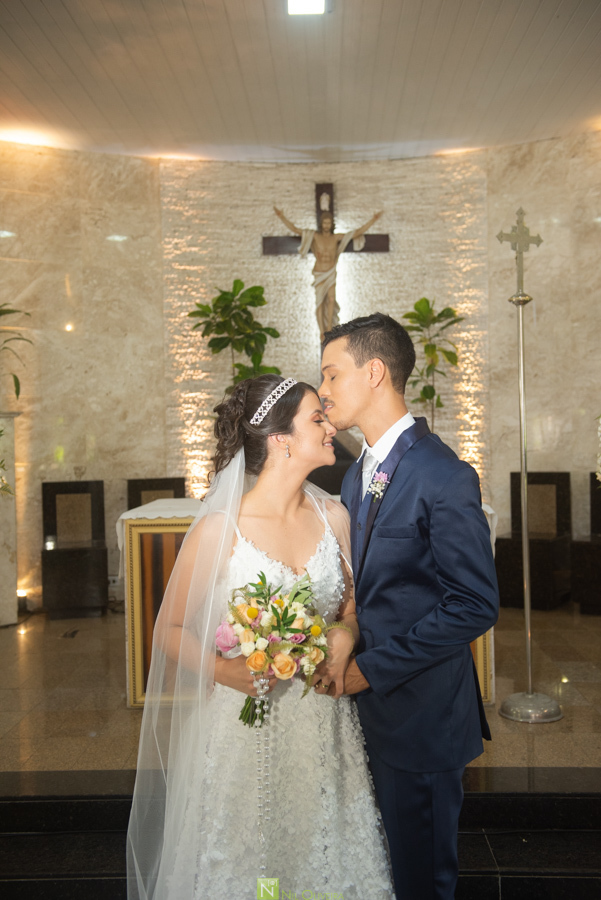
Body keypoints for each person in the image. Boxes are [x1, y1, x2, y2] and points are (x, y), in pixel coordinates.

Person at [127, 374, 394, 900]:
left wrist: (345, 633)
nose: (330, 427)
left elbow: (348, 606)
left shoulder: (334, 516)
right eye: (316, 419)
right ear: (280, 439)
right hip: (246, 727)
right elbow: (168, 630)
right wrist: (225, 669)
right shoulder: (220, 529)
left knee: (324, 857)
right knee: (256, 862)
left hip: (323, 721)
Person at [317, 312, 500, 900]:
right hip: (368, 715)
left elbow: (473, 604)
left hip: (422, 718)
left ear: (374, 372)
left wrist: (370, 669)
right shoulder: (356, 476)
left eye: (332, 374)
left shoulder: (443, 475)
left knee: (421, 881)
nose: (323, 390)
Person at [273, 205, 382, 338]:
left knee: (331, 299)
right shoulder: (315, 236)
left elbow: (356, 233)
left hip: (330, 272)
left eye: (329, 223)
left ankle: (330, 328)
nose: (326, 225)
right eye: (324, 223)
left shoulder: (335, 238)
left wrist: (373, 219)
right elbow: (295, 229)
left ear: (331, 224)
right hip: (319, 272)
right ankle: (321, 331)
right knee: (319, 302)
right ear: (321, 224)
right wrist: (281, 216)